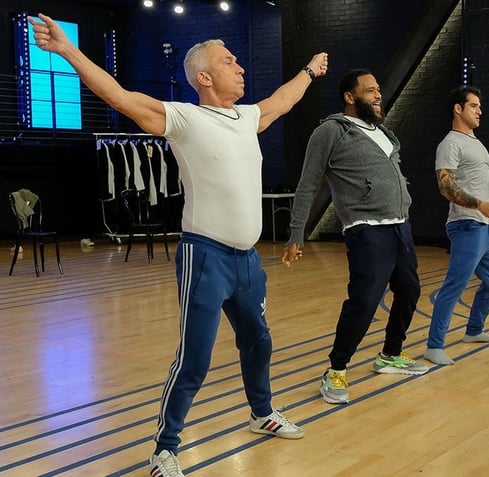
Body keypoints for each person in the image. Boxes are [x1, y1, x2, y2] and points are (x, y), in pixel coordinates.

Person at [27, 13, 328, 477]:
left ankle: (261, 413)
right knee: (195, 356)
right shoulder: (184, 119)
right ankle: (164, 449)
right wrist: (68, 51)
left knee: (259, 342)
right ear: (204, 77)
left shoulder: (248, 118)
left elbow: (282, 101)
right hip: (204, 255)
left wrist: (309, 70)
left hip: (248, 260)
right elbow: (120, 96)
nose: (241, 68)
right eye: (230, 62)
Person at [281, 69, 428, 405]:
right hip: (365, 227)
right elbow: (307, 184)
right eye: (370, 90)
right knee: (363, 301)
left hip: (399, 224)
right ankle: (336, 369)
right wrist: (296, 234)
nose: (378, 95)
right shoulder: (331, 131)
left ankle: (391, 354)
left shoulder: (381, 131)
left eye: (379, 89)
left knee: (410, 290)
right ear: (350, 96)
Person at [422, 87, 489, 366]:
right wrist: (479, 205)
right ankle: (434, 346)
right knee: (455, 284)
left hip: (486, 225)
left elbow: (482, 182)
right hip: (467, 224)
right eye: (474, 106)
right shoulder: (451, 143)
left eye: (479, 106)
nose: (480, 111)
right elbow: (445, 186)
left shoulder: (475, 142)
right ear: (458, 109)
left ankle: (474, 330)